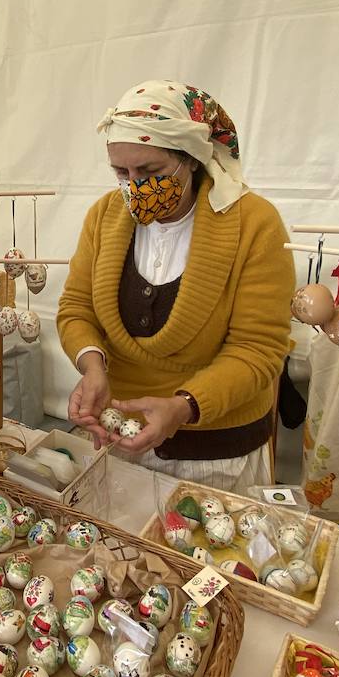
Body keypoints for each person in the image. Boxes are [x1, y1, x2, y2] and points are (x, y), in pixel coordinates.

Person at [59, 80, 295, 491]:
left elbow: (259, 350)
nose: (135, 186)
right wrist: (92, 367)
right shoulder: (104, 216)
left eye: (150, 171)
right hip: (118, 439)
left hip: (216, 456)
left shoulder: (255, 224)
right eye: (121, 172)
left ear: (192, 160)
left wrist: (183, 407)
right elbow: (77, 308)